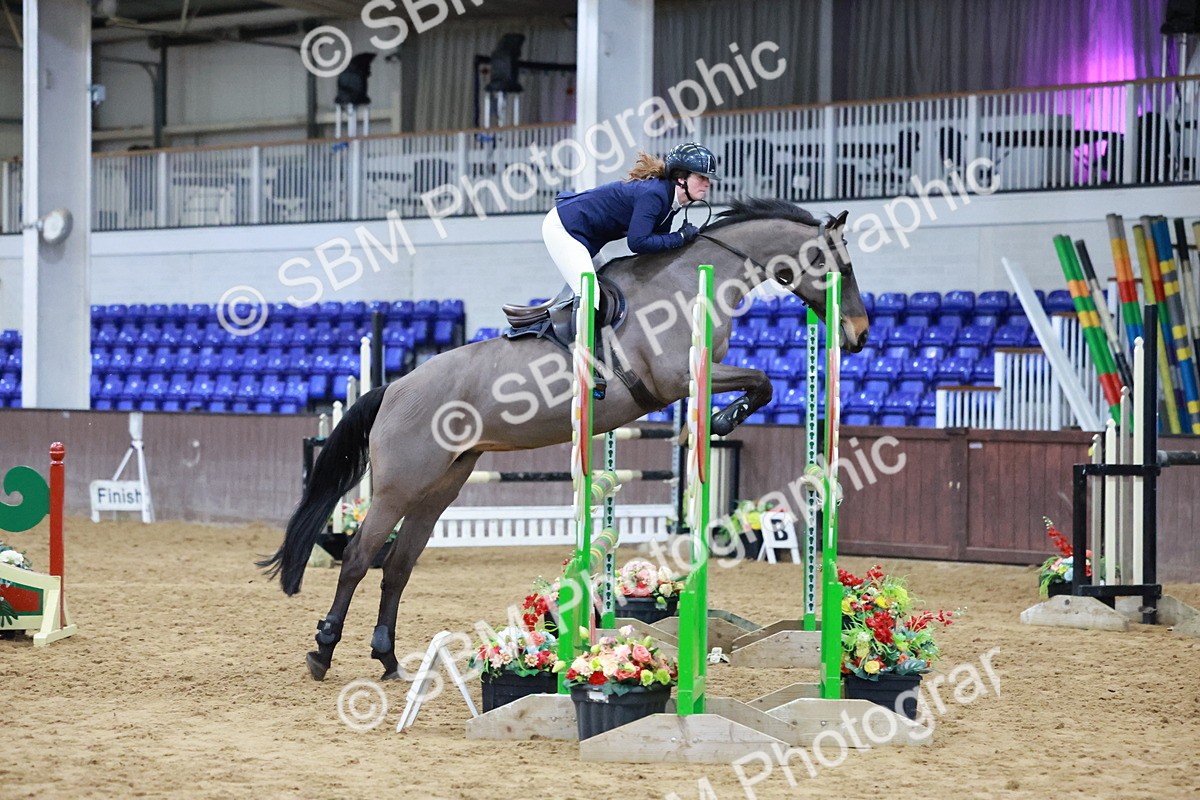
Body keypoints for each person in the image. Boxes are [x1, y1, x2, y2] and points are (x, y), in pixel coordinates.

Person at [542, 142, 719, 307]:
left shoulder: (670, 201)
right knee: (590, 295)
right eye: (701, 177)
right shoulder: (654, 194)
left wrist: (682, 242)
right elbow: (637, 242)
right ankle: (570, 333)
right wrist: (680, 237)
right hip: (565, 227)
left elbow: (656, 245)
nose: (707, 183)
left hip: (586, 235)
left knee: (607, 290)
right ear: (681, 178)